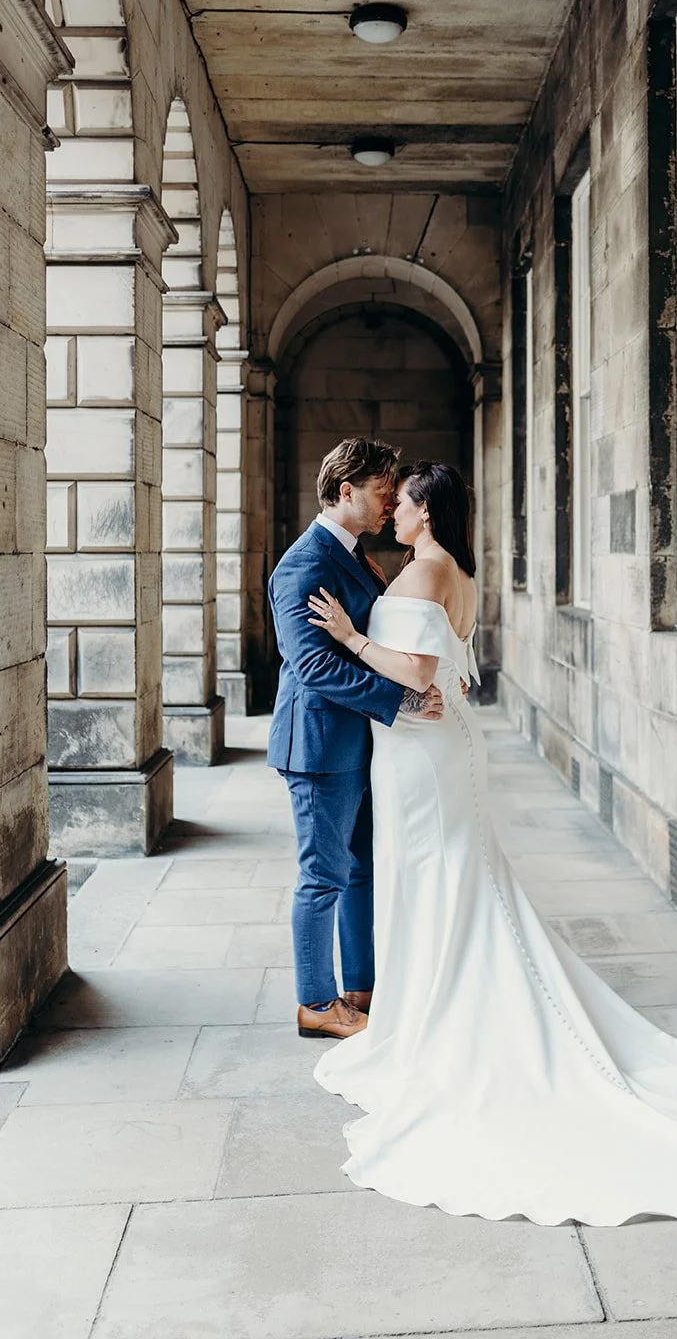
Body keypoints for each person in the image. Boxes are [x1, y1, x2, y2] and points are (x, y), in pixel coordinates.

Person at [306, 459, 677, 1227]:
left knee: (441, 879)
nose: (392, 510)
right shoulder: (449, 568)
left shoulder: (425, 573)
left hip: (424, 754)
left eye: (403, 503)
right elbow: (454, 670)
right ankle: (424, 1010)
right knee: (448, 880)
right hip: (431, 744)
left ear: (426, 511)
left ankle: (440, 1026)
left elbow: (419, 668)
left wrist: (352, 637)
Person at [267, 438, 444, 1043]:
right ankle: (317, 1002)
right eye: (382, 489)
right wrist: (403, 699)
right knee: (323, 876)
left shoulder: (357, 556)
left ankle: (361, 989)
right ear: (347, 491)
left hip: (359, 742)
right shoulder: (303, 565)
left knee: (361, 870)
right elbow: (313, 667)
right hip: (318, 746)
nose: (391, 498)